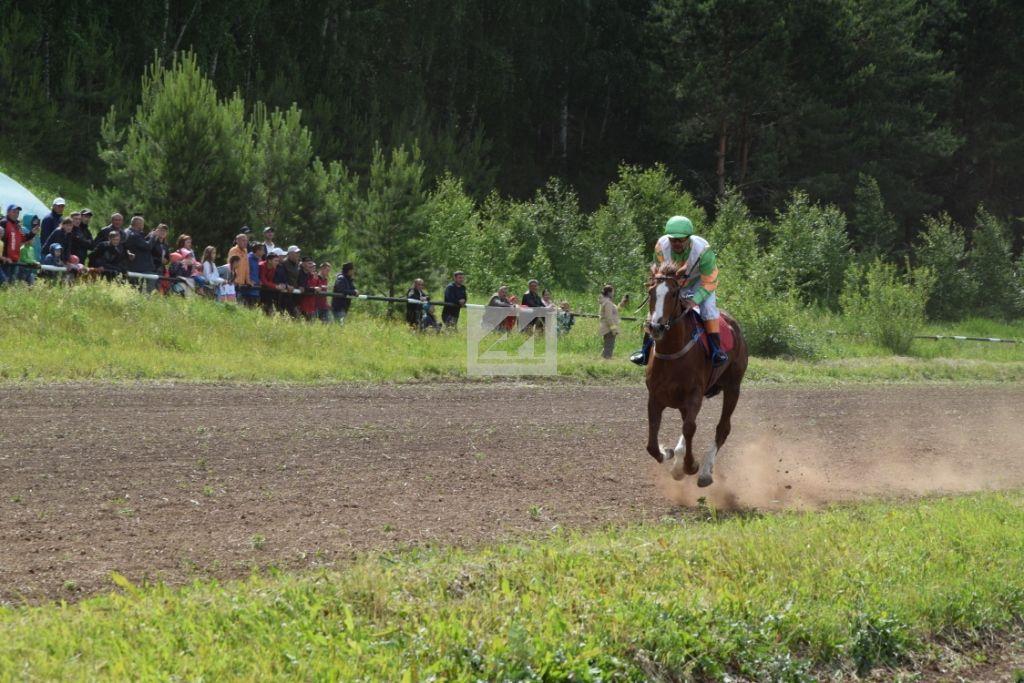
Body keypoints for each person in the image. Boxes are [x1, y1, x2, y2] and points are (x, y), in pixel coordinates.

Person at [631, 215, 727, 367]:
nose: (675, 243)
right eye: (672, 239)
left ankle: (716, 351)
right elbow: (658, 273)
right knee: (656, 311)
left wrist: (693, 300)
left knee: (708, 309)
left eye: (680, 239)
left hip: (700, 284)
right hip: (673, 283)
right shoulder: (660, 247)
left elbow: (710, 281)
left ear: (689, 238)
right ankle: (644, 351)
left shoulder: (704, 250)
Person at [2, 204, 38, 283]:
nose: (16, 214)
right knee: (4, 284)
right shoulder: (4, 223)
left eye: (17, 213)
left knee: (10, 285)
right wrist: (3, 257)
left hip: (14, 260)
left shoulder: (17, 226)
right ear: (8, 212)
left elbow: (24, 238)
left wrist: (32, 233)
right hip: (5, 260)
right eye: (14, 212)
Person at [598, 285, 628, 360]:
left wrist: (622, 303)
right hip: (608, 328)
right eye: (612, 291)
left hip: (608, 327)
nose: (613, 293)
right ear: (609, 292)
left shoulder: (608, 302)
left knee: (608, 346)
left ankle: (602, 361)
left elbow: (616, 311)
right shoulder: (607, 303)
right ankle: (606, 362)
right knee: (609, 346)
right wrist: (613, 329)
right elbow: (609, 317)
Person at [275, 245, 303, 316]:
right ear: (290, 254)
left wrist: (301, 286)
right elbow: (281, 276)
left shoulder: (298, 264)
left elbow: (299, 277)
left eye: (298, 253)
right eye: (296, 253)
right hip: (285, 294)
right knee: (283, 314)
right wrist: (287, 285)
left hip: (295, 293)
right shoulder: (284, 263)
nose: (298, 255)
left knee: (294, 315)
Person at [227, 233, 250, 299]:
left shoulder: (245, 251)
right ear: (237, 241)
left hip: (242, 283)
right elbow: (231, 266)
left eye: (246, 241)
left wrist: (248, 281)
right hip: (234, 282)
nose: (245, 242)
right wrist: (234, 280)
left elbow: (247, 266)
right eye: (243, 240)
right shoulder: (233, 250)